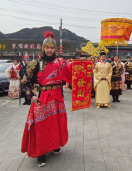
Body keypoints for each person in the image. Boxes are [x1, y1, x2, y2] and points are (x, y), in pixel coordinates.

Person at [21, 31, 72, 167]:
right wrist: (30, 95)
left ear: (55, 49)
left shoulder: (60, 62)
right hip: (42, 99)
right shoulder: (35, 63)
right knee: (41, 127)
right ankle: (41, 153)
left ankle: (55, 145)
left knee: (56, 124)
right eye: (47, 48)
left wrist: (82, 63)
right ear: (43, 48)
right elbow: (25, 82)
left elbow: (72, 70)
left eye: (52, 48)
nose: (50, 50)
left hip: (57, 99)